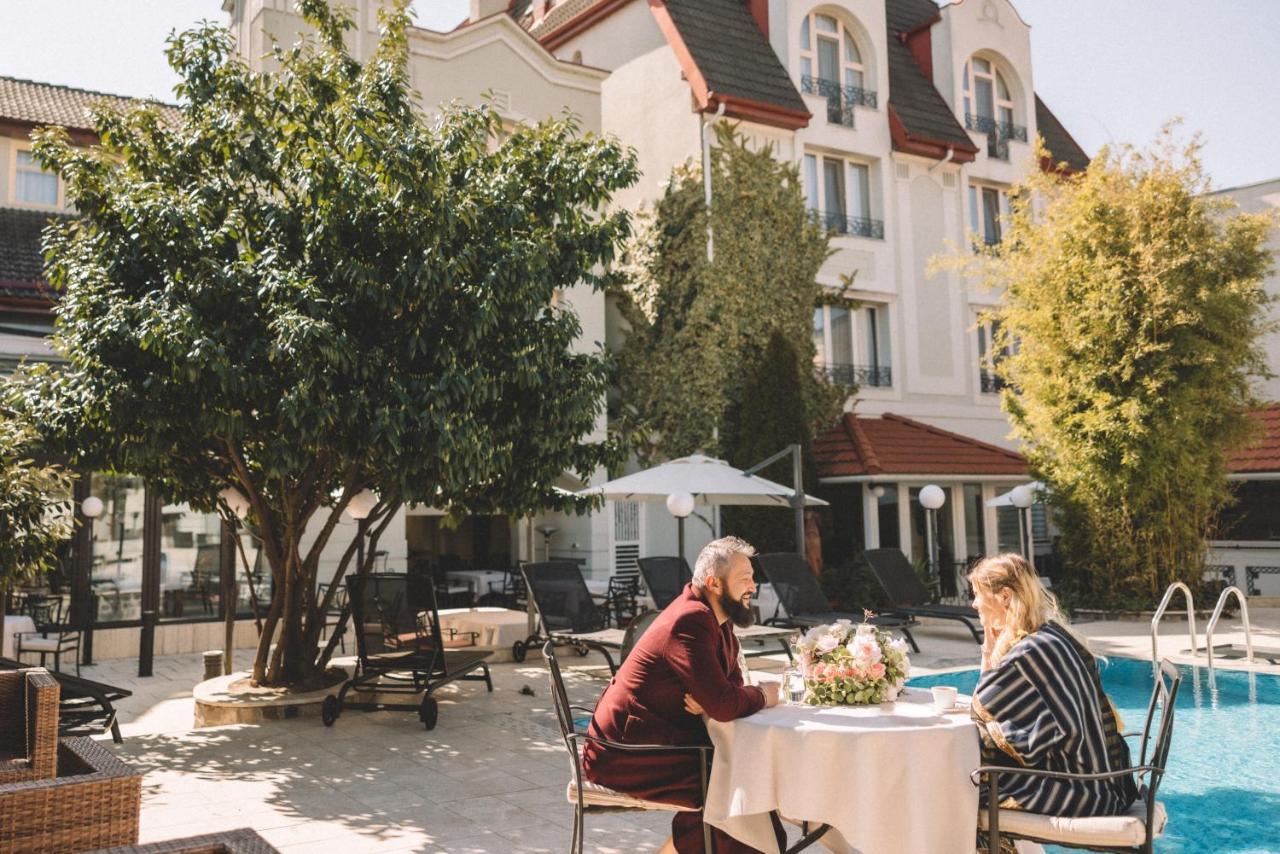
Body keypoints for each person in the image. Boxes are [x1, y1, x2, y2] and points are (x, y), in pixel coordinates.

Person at [582, 536, 780, 854]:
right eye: (745, 578)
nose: (753, 586)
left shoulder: (718, 620)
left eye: (753, 578)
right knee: (733, 784)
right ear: (714, 583)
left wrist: (722, 698)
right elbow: (727, 703)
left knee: (744, 775)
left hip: (658, 739)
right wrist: (762, 696)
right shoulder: (690, 620)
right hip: (622, 752)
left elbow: (729, 690)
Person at [968, 553, 1137, 821]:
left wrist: (988, 653)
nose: (974, 603)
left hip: (1083, 792)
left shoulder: (1028, 653)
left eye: (978, 593)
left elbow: (979, 713)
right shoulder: (1051, 635)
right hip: (1107, 782)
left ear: (1005, 596)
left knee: (965, 789)